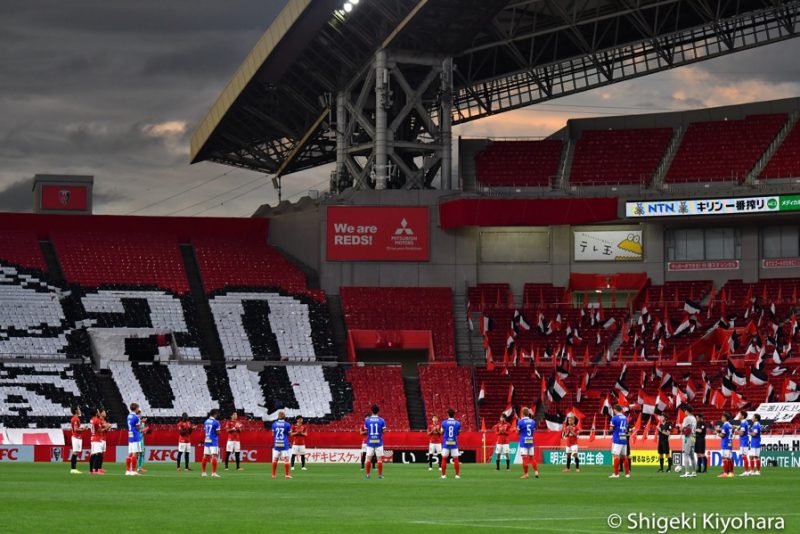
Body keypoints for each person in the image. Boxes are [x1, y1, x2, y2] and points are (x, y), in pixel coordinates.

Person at [364, 404, 387, 479]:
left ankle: (368, 475)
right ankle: (380, 475)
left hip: (370, 442)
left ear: (371, 411)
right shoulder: (382, 420)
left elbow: (366, 431)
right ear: (378, 411)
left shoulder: (367, 420)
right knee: (379, 459)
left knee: (368, 459)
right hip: (379, 442)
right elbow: (384, 431)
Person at [517, 407, 539, 479]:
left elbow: (518, 432)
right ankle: (536, 472)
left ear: (522, 413)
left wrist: (517, 430)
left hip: (524, 441)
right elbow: (533, 431)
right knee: (532, 457)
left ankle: (526, 474)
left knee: (524, 458)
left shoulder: (520, 422)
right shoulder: (532, 421)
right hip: (530, 440)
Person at [609, 404, 630, 479]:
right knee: (624, 456)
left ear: (615, 410)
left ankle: (616, 474)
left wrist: (610, 430)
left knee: (616, 455)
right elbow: (626, 429)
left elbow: (611, 429)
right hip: (623, 437)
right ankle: (627, 474)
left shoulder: (614, 418)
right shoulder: (625, 418)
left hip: (617, 438)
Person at [440, 409, 462, 479]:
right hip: (454, 443)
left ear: (448, 414)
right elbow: (458, 432)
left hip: (446, 443)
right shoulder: (458, 423)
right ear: (454, 415)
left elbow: (441, 432)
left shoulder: (444, 423)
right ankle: (457, 475)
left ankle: (443, 475)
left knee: (444, 458)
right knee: (456, 459)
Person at [271, 411, 293, 479]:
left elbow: (272, 434)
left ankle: (274, 474)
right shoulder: (287, 424)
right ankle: (286, 475)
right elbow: (290, 434)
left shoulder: (274, 424)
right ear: (284, 416)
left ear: (278, 416)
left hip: (276, 444)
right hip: (284, 444)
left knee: (275, 460)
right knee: (286, 460)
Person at [89, 408, 110, 475]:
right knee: (97, 455)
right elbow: (100, 430)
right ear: (96, 413)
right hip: (97, 438)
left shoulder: (92, 420)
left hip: (94, 438)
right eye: (98, 411)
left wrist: (106, 426)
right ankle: (96, 470)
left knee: (93, 455)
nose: (99, 412)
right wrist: (107, 427)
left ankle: (91, 470)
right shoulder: (96, 420)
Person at [201, 409, 221, 478]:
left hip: (207, 440)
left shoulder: (206, 421)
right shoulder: (216, 422)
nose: (217, 415)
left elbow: (205, 430)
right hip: (213, 440)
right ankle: (214, 473)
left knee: (205, 456)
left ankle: (203, 473)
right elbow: (218, 433)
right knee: (214, 456)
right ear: (214, 414)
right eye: (217, 413)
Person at [125, 403, 143, 476]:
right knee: (135, 453)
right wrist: (141, 425)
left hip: (130, 435)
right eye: (138, 408)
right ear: (136, 408)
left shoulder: (129, 416)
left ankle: (127, 470)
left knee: (130, 453)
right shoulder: (136, 417)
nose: (138, 409)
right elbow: (138, 428)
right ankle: (133, 471)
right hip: (135, 436)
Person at [679, 405, 697, 478]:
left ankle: (687, 472)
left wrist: (680, 428)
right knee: (692, 456)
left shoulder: (687, 418)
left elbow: (683, 428)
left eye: (685, 411)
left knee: (686, 454)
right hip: (693, 438)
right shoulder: (694, 418)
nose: (684, 412)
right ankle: (694, 472)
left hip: (687, 438)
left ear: (687, 411)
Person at [717, 412, 734, 478]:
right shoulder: (729, 425)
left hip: (725, 443)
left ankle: (725, 473)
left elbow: (723, 435)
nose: (721, 418)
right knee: (729, 458)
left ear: (725, 418)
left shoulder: (725, 425)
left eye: (722, 417)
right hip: (729, 442)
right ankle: (731, 472)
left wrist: (717, 433)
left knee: (725, 458)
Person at [69, 407, 84, 474]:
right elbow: (76, 429)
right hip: (76, 437)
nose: (79, 410)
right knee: (75, 452)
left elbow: (76, 428)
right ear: (76, 411)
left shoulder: (74, 418)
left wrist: (81, 428)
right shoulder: (75, 419)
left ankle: (74, 469)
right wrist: (83, 429)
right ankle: (73, 469)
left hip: (76, 437)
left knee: (76, 452)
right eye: (78, 409)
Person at [736, 410, 751, 476]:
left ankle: (746, 471)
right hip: (744, 441)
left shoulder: (744, 423)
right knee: (744, 456)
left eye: (739, 415)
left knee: (744, 456)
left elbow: (742, 433)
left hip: (744, 441)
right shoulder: (744, 422)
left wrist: (736, 431)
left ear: (743, 416)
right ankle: (746, 471)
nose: (738, 416)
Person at [136, 408, 149, 473]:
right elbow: (137, 430)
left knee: (141, 453)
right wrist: (143, 430)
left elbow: (142, 431)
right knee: (137, 453)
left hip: (141, 439)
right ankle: (135, 467)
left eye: (140, 413)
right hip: (137, 439)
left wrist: (146, 431)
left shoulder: (142, 422)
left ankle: (139, 467)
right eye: (139, 413)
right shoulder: (136, 421)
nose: (140, 414)